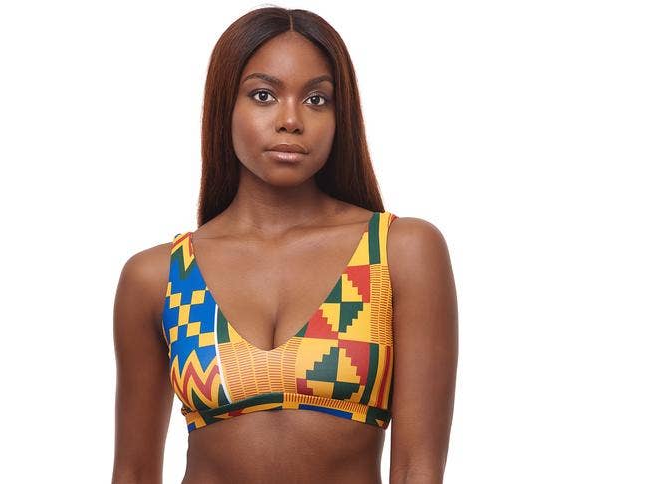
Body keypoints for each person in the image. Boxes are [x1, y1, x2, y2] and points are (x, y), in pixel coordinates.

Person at [111, 7, 458, 484]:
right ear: (224, 106)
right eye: (264, 95)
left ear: (340, 115)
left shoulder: (399, 251)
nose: (291, 120)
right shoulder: (157, 277)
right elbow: (132, 473)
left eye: (316, 99)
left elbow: (418, 469)